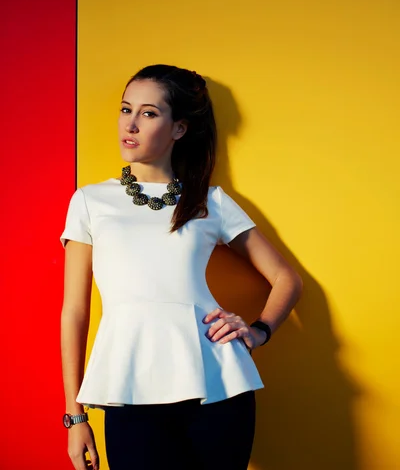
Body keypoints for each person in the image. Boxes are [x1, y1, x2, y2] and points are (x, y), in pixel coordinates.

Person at [60, 64, 303, 470]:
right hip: (129, 385)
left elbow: (286, 279)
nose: (131, 124)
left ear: (179, 129)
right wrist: (76, 415)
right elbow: (75, 311)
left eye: (149, 113)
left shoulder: (212, 201)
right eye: (126, 109)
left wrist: (258, 332)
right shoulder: (90, 201)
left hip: (219, 385)